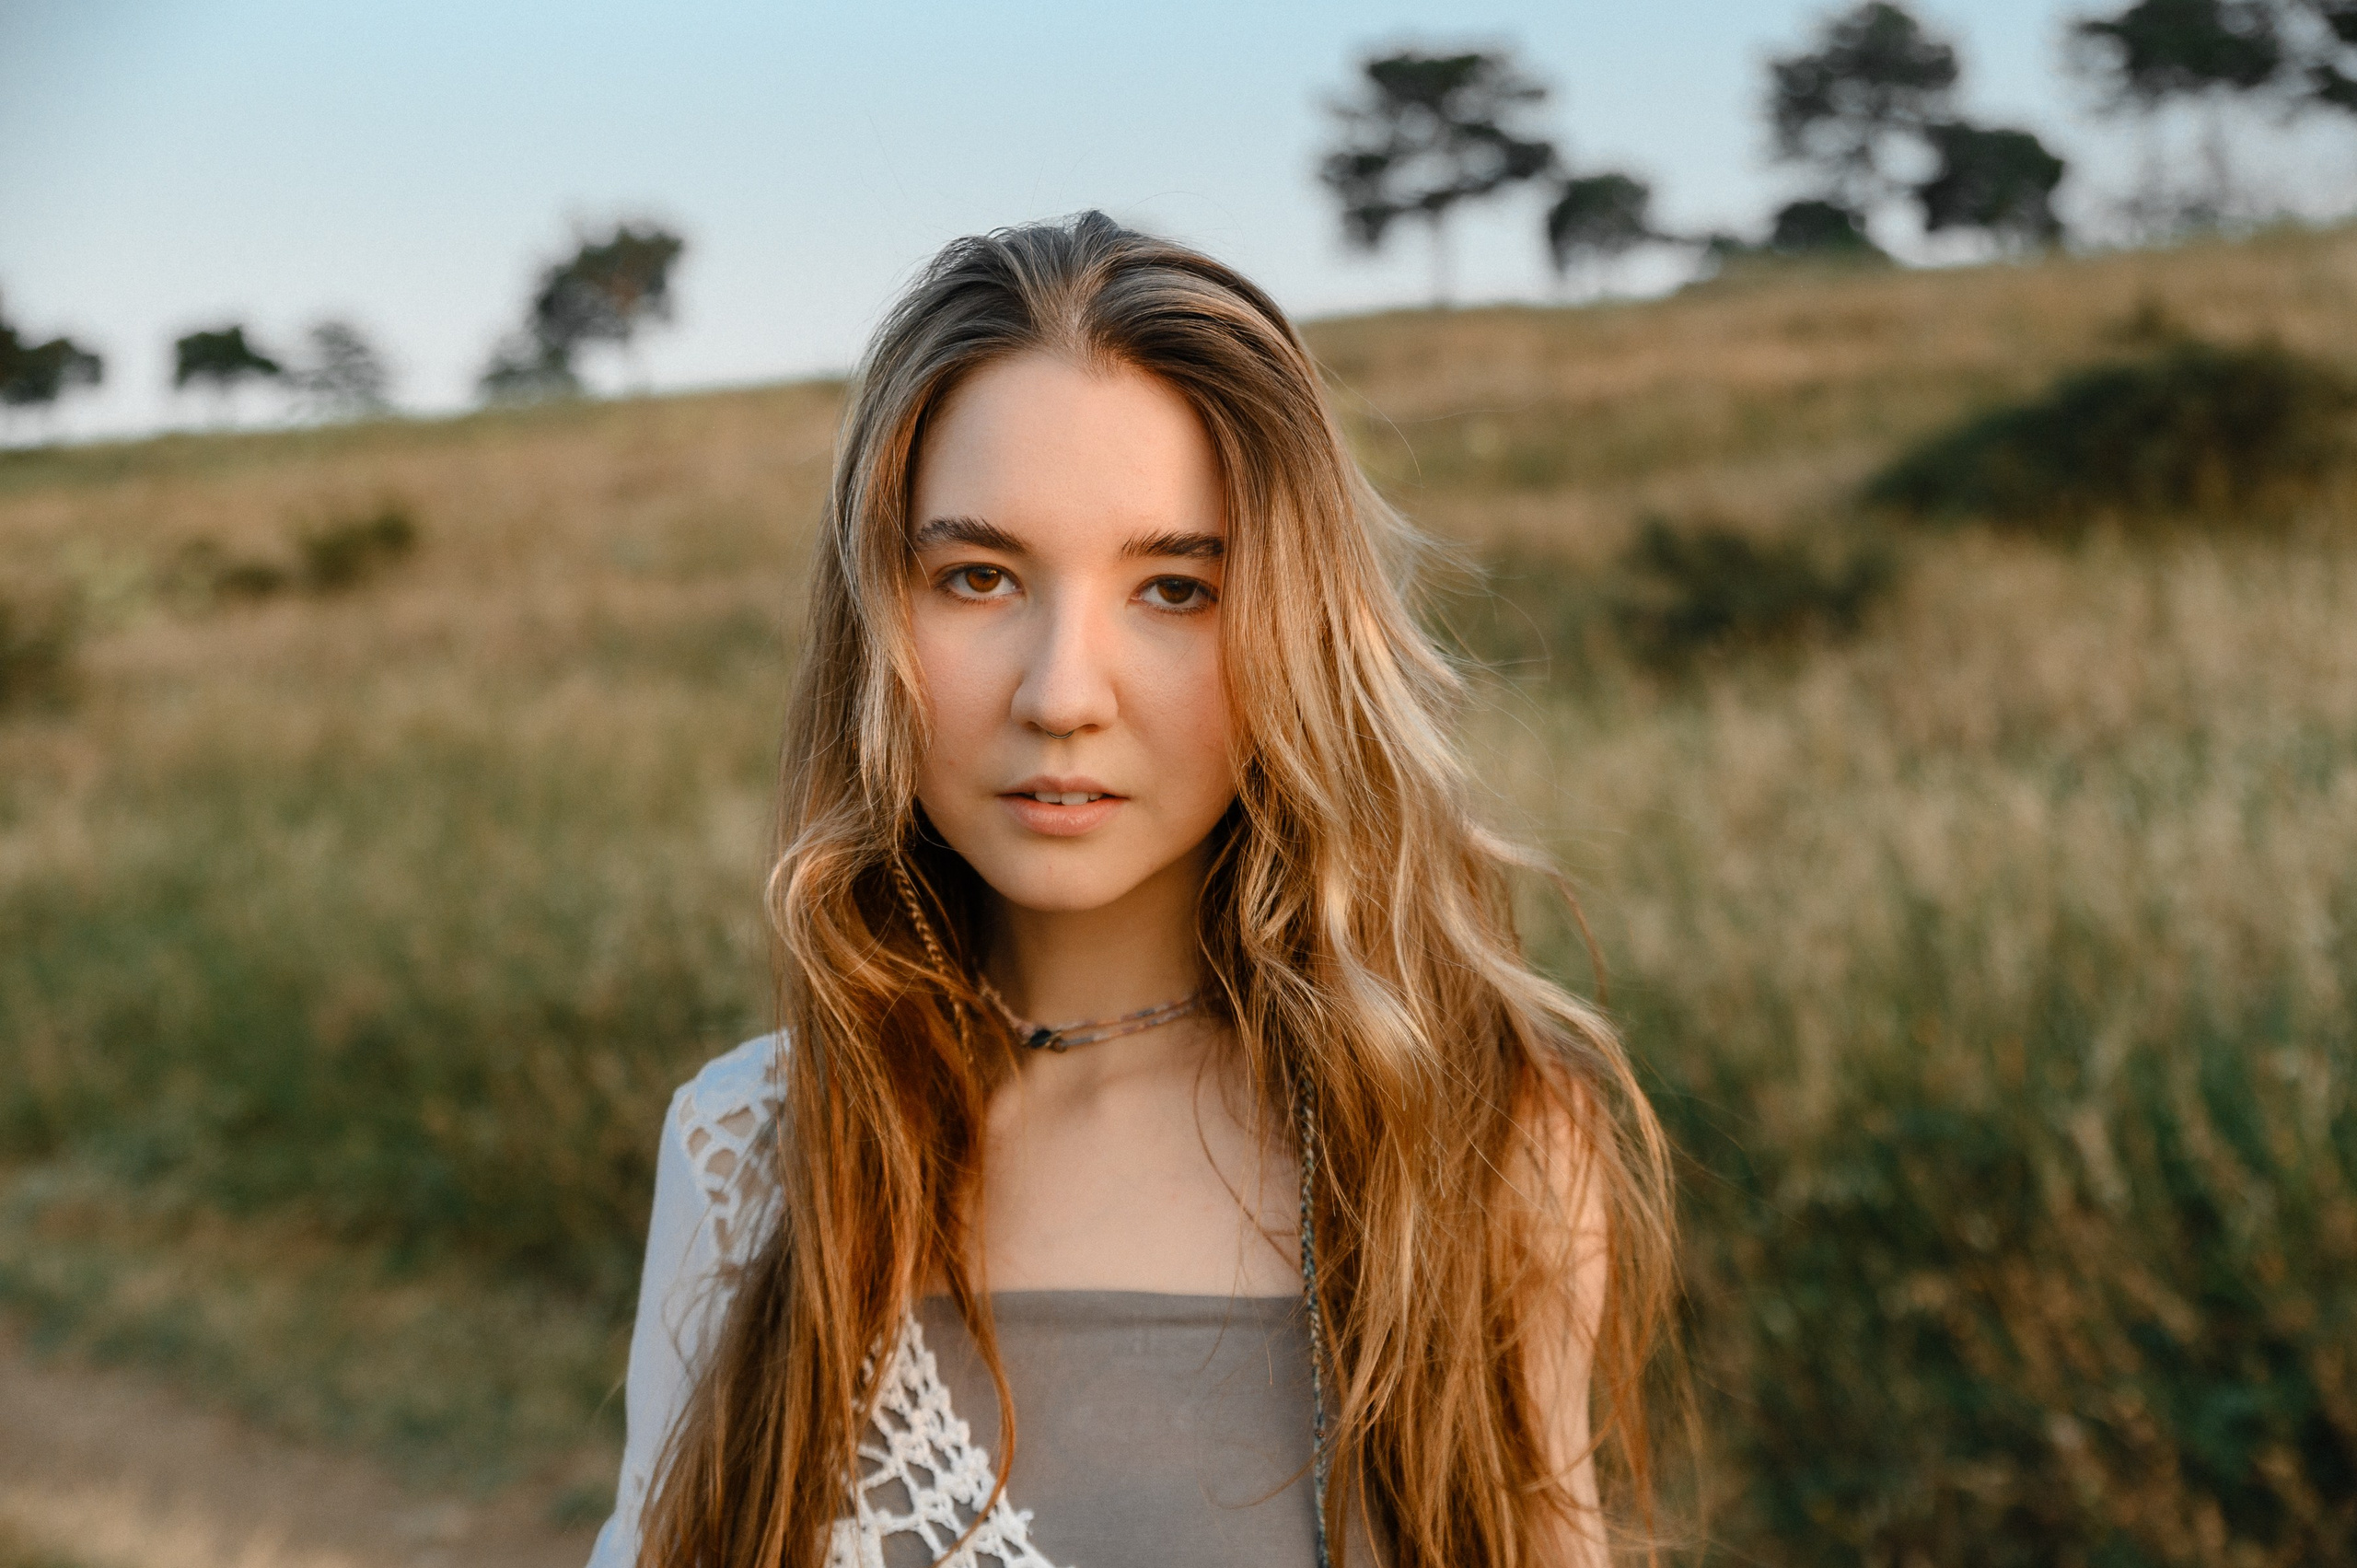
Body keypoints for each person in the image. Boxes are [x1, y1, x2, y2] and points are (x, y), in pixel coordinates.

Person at [586, 211, 1675, 1568]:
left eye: (1174, 588)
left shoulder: (1469, 1138)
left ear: (1293, 625)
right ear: (878, 613)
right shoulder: (753, 1150)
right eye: (977, 578)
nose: (1061, 697)